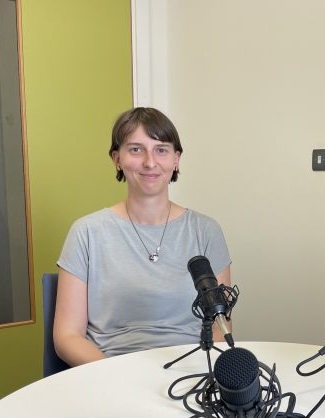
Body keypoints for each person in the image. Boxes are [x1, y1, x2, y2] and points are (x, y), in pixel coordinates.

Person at [54, 107, 232, 367]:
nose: (150, 162)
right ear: (117, 158)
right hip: (110, 368)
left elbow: (220, 328)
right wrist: (115, 375)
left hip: (189, 369)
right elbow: (67, 336)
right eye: (136, 149)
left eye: (161, 149)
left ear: (176, 159)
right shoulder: (87, 232)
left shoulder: (206, 231)